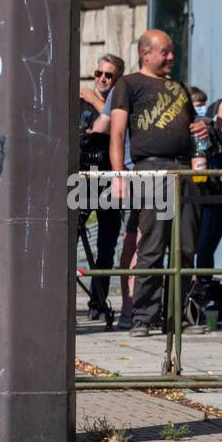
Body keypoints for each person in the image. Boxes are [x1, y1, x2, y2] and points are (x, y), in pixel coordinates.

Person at [109, 29, 211, 337]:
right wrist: (118, 175)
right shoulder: (128, 84)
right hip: (151, 169)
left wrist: (202, 129)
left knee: (185, 247)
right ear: (146, 54)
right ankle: (143, 317)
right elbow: (117, 133)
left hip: (185, 172)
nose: (171, 57)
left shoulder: (179, 87)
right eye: (164, 52)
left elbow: (192, 126)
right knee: (152, 245)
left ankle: (176, 315)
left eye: (171, 52)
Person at [78, 53, 125, 321]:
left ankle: (98, 299)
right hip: (85, 177)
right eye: (99, 74)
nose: (102, 79)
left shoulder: (120, 101)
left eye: (109, 75)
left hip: (110, 178)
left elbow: (114, 127)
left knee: (106, 244)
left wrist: (96, 101)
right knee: (71, 234)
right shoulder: (81, 104)